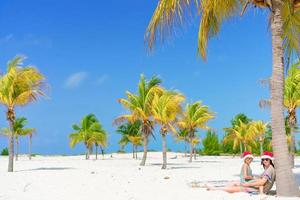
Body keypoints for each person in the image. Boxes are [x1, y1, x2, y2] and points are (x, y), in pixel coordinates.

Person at [205, 151, 276, 195]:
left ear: (270, 160)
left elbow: (261, 183)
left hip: (260, 189)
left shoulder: (269, 169)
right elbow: (261, 179)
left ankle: (215, 189)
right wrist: (253, 179)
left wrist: (248, 184)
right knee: (235, 182)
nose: (264, 161)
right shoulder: (268, 168)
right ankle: (218, 187)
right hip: (259, 187)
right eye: (263, 159)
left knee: (237, 188)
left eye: (266, 159)